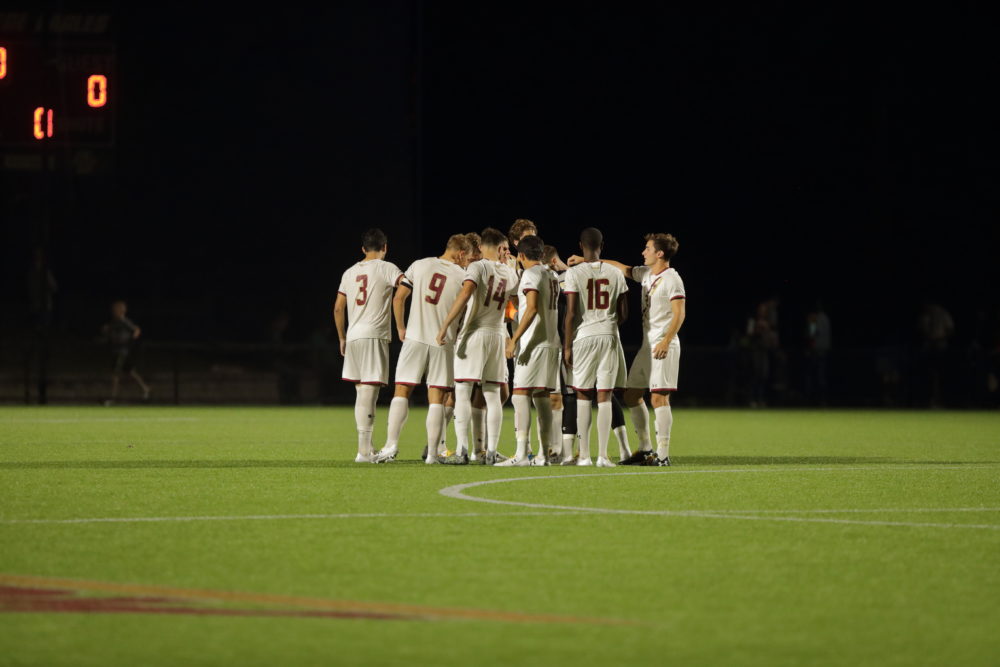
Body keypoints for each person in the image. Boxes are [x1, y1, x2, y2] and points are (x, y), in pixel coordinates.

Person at [587, 234, 686, 466]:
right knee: (632, 395)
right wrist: (587, 260)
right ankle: (645, 448)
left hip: (664, 345)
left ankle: (663, 455)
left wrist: (666, 341)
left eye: (648, 248)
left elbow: (679, 313)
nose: (643, 252)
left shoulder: (672, 279)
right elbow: (622, 268)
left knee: (659, 397)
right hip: (647, 345)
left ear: (659, 253)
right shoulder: (647, 274)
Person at [374, 235, 470, 464]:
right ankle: (433, 454)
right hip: (442, 341)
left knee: (402, 390)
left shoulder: (420, 265)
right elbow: (465, 312)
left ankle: (390, 446)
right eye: (467, 257)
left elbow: (398, 298)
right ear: (461, 254)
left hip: (415, 337)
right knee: (437, 396)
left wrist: (401, 327)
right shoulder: (463, 276)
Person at [436, 228, 518, 465]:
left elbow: (465, 295)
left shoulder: (478, 267)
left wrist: (445, 326)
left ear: (482, 247)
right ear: (501, 249)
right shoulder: (510, 273)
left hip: (475, 333)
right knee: (492, 394)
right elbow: (514, 303)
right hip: (497, 334)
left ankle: (462, 451)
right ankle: (491, 452)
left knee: (462, 391)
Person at [334, 228, 404, 463]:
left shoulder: (349, 272)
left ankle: (367, 447)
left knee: (361, 393)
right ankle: (363, 452)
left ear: (363, 249)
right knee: (368, 393)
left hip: (354, 336)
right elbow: (406, 286)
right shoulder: (387, 267)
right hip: (374, 335)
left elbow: (338, 308)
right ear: (385, 247)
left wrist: (342, 337)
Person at [563, 227, 629, 467]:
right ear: (602, 245)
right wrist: (608, 324)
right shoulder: (615, 273)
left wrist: (567, 346)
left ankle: (584, 456)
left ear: (581, 246)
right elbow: (624, 313)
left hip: (585, 336)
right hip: (609, 335)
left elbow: (571, 313)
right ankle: (603, 456)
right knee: (604, 395)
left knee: (582, 393)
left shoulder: (573, 273)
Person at [500, 235, 560, 466]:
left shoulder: (530, 274)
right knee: (541, 396)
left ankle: (522, 455)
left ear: (521, 255)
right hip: (551, 341)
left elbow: (532, 308)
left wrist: (514, 339)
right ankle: (544, 454)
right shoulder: (551, 274)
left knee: (520, 394)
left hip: (534, 343)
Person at [102, 300, 151, 405]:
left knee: (115, 374)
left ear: (121, 311)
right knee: (130, 372)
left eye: (115, 309)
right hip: (116, 351)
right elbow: (110, 333)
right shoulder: (114, 322)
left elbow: (136, 330)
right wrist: (106, 331)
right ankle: (145, 388)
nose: (113, 311)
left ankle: (113, 398)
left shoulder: (123, 321)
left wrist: (130, 339)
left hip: (121, 352)